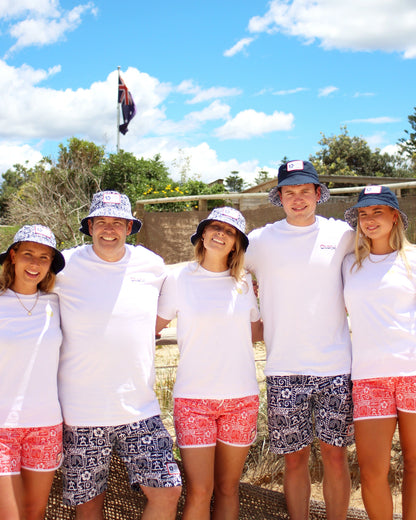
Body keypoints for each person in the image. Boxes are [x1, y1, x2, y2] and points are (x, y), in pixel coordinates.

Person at [55, 191, 182, 520]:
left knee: (168, 491)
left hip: (139, 408)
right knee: (89, 505)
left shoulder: (152, 265)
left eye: (117, 222)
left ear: (129, 227)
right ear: (90, 226)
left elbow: (175, 299)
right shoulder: (65, 265)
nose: (108, 228)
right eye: (101, 222)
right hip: (82, 412)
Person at [245, 160, 355, 520]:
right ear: (279, 197)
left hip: (336, 366)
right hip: (283, 368)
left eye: (305, 191)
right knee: (295, 461)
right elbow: (224, 269)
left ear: (318, 193)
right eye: (289, 192)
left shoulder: (342, 235)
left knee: (336, 457)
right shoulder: (261, 241)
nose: (298, 199)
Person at [156, 207, 263, 520]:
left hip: (241, 400)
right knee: (200, 490)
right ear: (202, 234)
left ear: (236, 244)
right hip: (193, 402)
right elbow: (152, 326)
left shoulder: (245, 283)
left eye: (229, 232)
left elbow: (256, 333)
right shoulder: (178, 278)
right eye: (214, 227)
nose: (220, 234)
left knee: (229, 488)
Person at [342, 186, 416, 520]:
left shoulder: (413, 259)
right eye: (363, 213)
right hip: (369, 379)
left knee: (414, 466)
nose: (369, 220)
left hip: (413, 374)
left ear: (395, 216)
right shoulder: (348, 265)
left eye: (377, 212)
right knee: (372, 472)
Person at [0, 225, 65, 520]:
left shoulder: (58, 304)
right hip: (3, 427)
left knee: (34, 512)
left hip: (46, 426)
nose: (35, 264)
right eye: (28, 254)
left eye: (44, 257)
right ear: (13, 256)